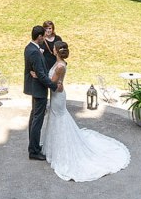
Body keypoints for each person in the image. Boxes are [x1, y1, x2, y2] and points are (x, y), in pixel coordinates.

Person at [41, 42, 130, 181]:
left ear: (57, 51)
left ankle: (61, 151)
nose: (52, 49)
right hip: (57, 95)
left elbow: (51, 83)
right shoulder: (61, 63)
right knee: (56, 118)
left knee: (59, 118)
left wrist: (38, 76)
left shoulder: (59, 66)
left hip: (58, 96)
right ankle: (55, 149)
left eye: (54, 48)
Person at [23, 25, 57, 161]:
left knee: (34, 117)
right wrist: (53, 86)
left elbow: (37, 71)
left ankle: (34, 145)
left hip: (34, 87)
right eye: (43, 36)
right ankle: (34, 150)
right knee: (37, 120)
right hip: (39, 89)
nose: (45, 38)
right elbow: (42, 75)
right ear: (39, 37)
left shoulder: (29, 48)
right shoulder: (35, 52)